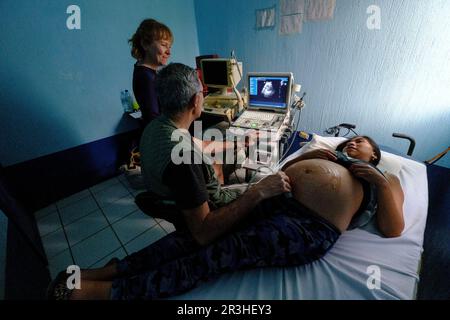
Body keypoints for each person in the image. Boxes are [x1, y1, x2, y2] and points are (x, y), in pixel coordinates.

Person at [47, 64, 404, 300]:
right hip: (275, 197)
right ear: (195, 100)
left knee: (215, 254)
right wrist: (312, 156)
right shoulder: (327, 154)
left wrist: (380, 181)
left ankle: (97, 292)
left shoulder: (384, 178)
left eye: (363, 145)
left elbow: (393, 227)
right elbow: (285, 165)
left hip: (308, 223)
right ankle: (102, 272)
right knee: (185, 240)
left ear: (374, 155)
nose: (354, 144)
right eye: (351, 142)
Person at [129, 19, 173, 126]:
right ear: (145, 44)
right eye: (163, 45)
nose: (169, 52)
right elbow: (153, 118)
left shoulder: (145, 71)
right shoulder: (146, 76)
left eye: (169, 47)